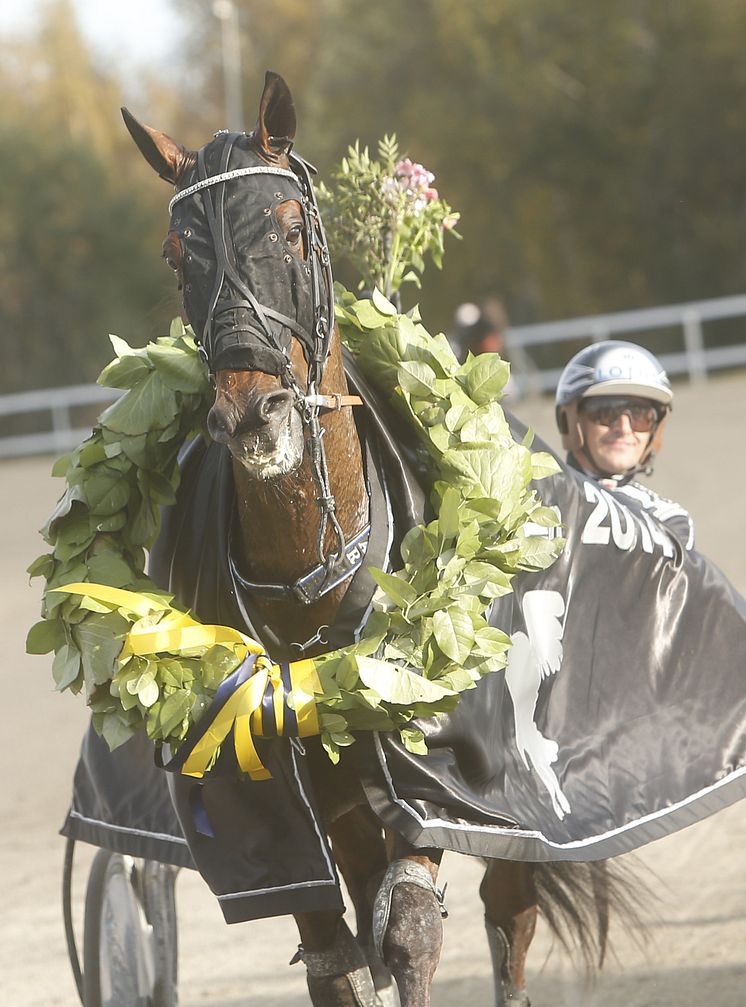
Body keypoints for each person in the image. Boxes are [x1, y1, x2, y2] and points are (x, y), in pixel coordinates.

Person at [554, 338, 694, 548]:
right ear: (572, 421)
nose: (624, 429)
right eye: (606, 413)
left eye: (640, 416)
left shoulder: (669, 520)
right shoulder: (531, 504)